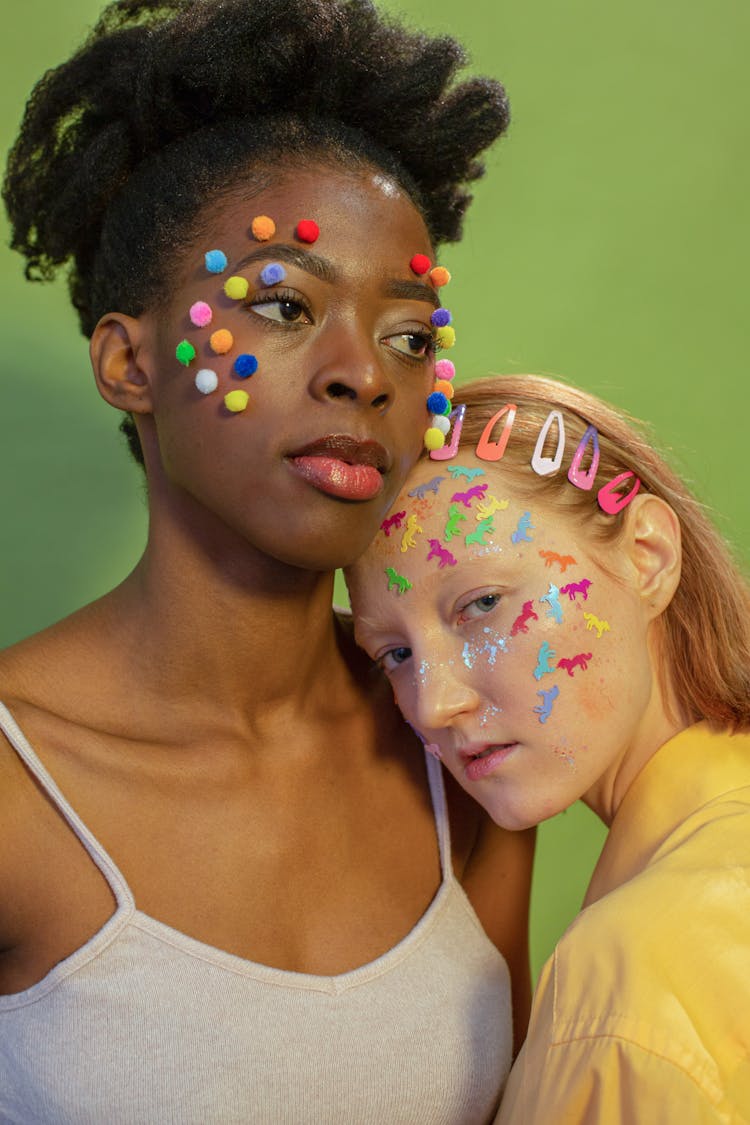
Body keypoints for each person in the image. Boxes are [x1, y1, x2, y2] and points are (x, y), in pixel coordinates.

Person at [0, 3, 536, 1121]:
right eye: (286, 305)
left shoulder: (464, 739)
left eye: (411, 335)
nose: (364, 376)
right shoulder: (17, 782)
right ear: (129, 362)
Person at [346, 373, 750, 1122]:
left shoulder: (635, 976)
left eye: (482, 605)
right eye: (393, 655)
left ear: (648, 556)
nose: (435, 703)